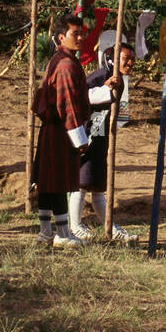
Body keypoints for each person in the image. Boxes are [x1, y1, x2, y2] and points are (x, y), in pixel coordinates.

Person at [33, 13, 93, 247]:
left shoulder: (60, 59)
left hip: (54, 130)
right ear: (60, 37)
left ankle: (46, 231)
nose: (80, 37)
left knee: (48, 181)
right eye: (74, 34)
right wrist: (79, 138)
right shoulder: (66, 64)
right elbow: (67, 103)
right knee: (56, 182)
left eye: (82, 33)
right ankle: (61, 233)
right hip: (61, 131)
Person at [68, 41, 136, 243]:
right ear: (111, 59)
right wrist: (103, 90)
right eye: (126, 59)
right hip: (87, 135)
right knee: (80, 183)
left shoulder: (120, 80)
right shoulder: (99, 77)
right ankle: (75, 225)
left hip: (101, 138)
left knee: (98, 186)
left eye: (132, 59)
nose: (130, 63)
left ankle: (110, 227)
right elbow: (79, 97)